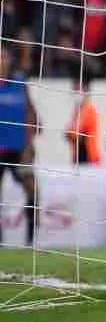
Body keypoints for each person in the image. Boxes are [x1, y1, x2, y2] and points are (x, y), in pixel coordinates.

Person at [0, 56, 37, 245]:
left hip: (18, 149)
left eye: (5, 56)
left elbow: (30, 112)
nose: (2, 60)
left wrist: (28, 145)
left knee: (32, 190)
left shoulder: (19, 82)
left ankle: (31, 240)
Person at [65, 76, 101, 165]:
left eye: (77, 90)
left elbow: (79, 134)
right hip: (78, 157)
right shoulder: (77, 110)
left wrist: (70, 133)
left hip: (89, 158)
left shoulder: (89, 110)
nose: (74, 92)